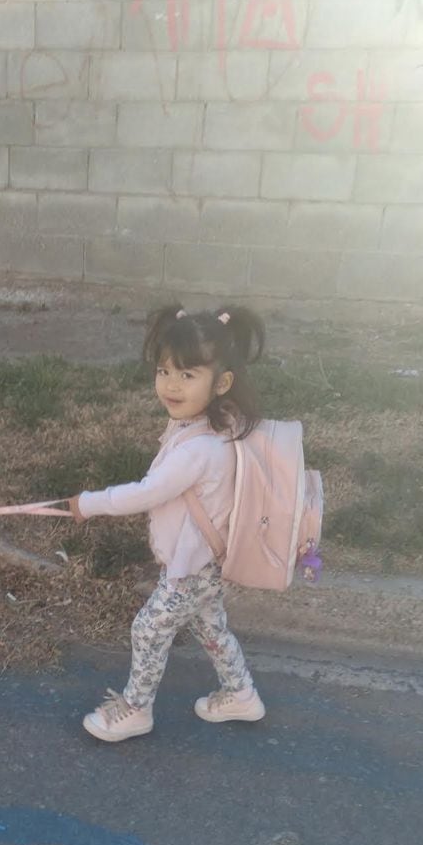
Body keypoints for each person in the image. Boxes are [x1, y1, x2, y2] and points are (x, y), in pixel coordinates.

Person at [69, 303, 267, 743]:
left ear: (223, 383)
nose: (171, 385)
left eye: (188, 375)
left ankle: (136, 710)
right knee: (210, 626)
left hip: (190, 569)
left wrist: (89, 503)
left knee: (149, 627)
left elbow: (146, 492)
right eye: (164, 371)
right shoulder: (214, 425)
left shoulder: (198, 449)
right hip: (206, 564)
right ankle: (241, 694)